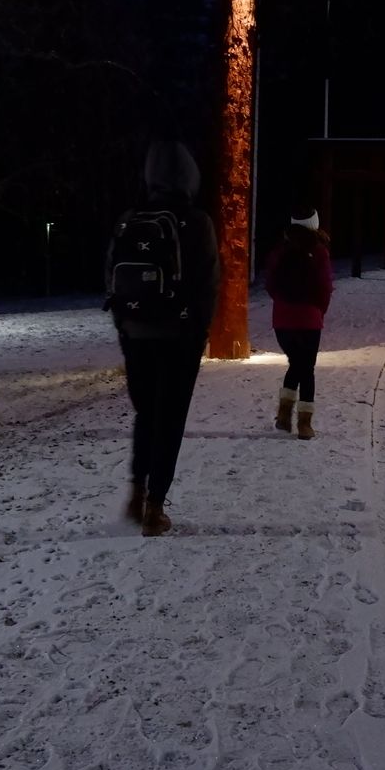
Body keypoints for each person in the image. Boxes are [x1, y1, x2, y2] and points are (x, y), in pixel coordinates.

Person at [107, 140, 218, 536]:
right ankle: (156, 507)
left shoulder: (129, 218)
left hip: (135, 333)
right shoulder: (197, 221)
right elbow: (208, 285)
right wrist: (198, 331)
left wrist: (124, 327)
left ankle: (136, 491)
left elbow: (111, 278)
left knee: (146, 414)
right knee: (170, 420)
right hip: (179, 335)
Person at [263, 206, 333, 440]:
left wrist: (282, 305)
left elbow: (270, 284)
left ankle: (284, 416)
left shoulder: (280, 250)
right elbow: (324, 286)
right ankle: (304, 424)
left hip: (282, 320)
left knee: (296, 364)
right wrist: (319, 310)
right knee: (306, 369)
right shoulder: (319, 251)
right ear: (315, 223)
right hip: (309, 320)